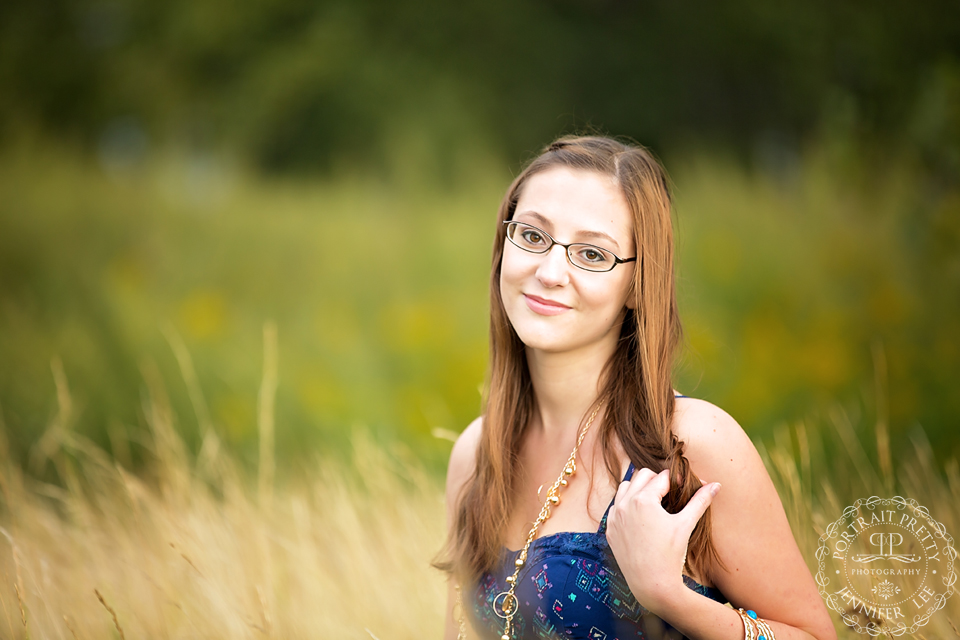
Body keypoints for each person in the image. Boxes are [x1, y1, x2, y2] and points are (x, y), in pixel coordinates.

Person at [435, 135, 836, 640]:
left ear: (636, 285)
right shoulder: (476, 454)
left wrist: (669, 596)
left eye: (592, 253)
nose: (550, 271)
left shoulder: (691, 444)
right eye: (532, 237)